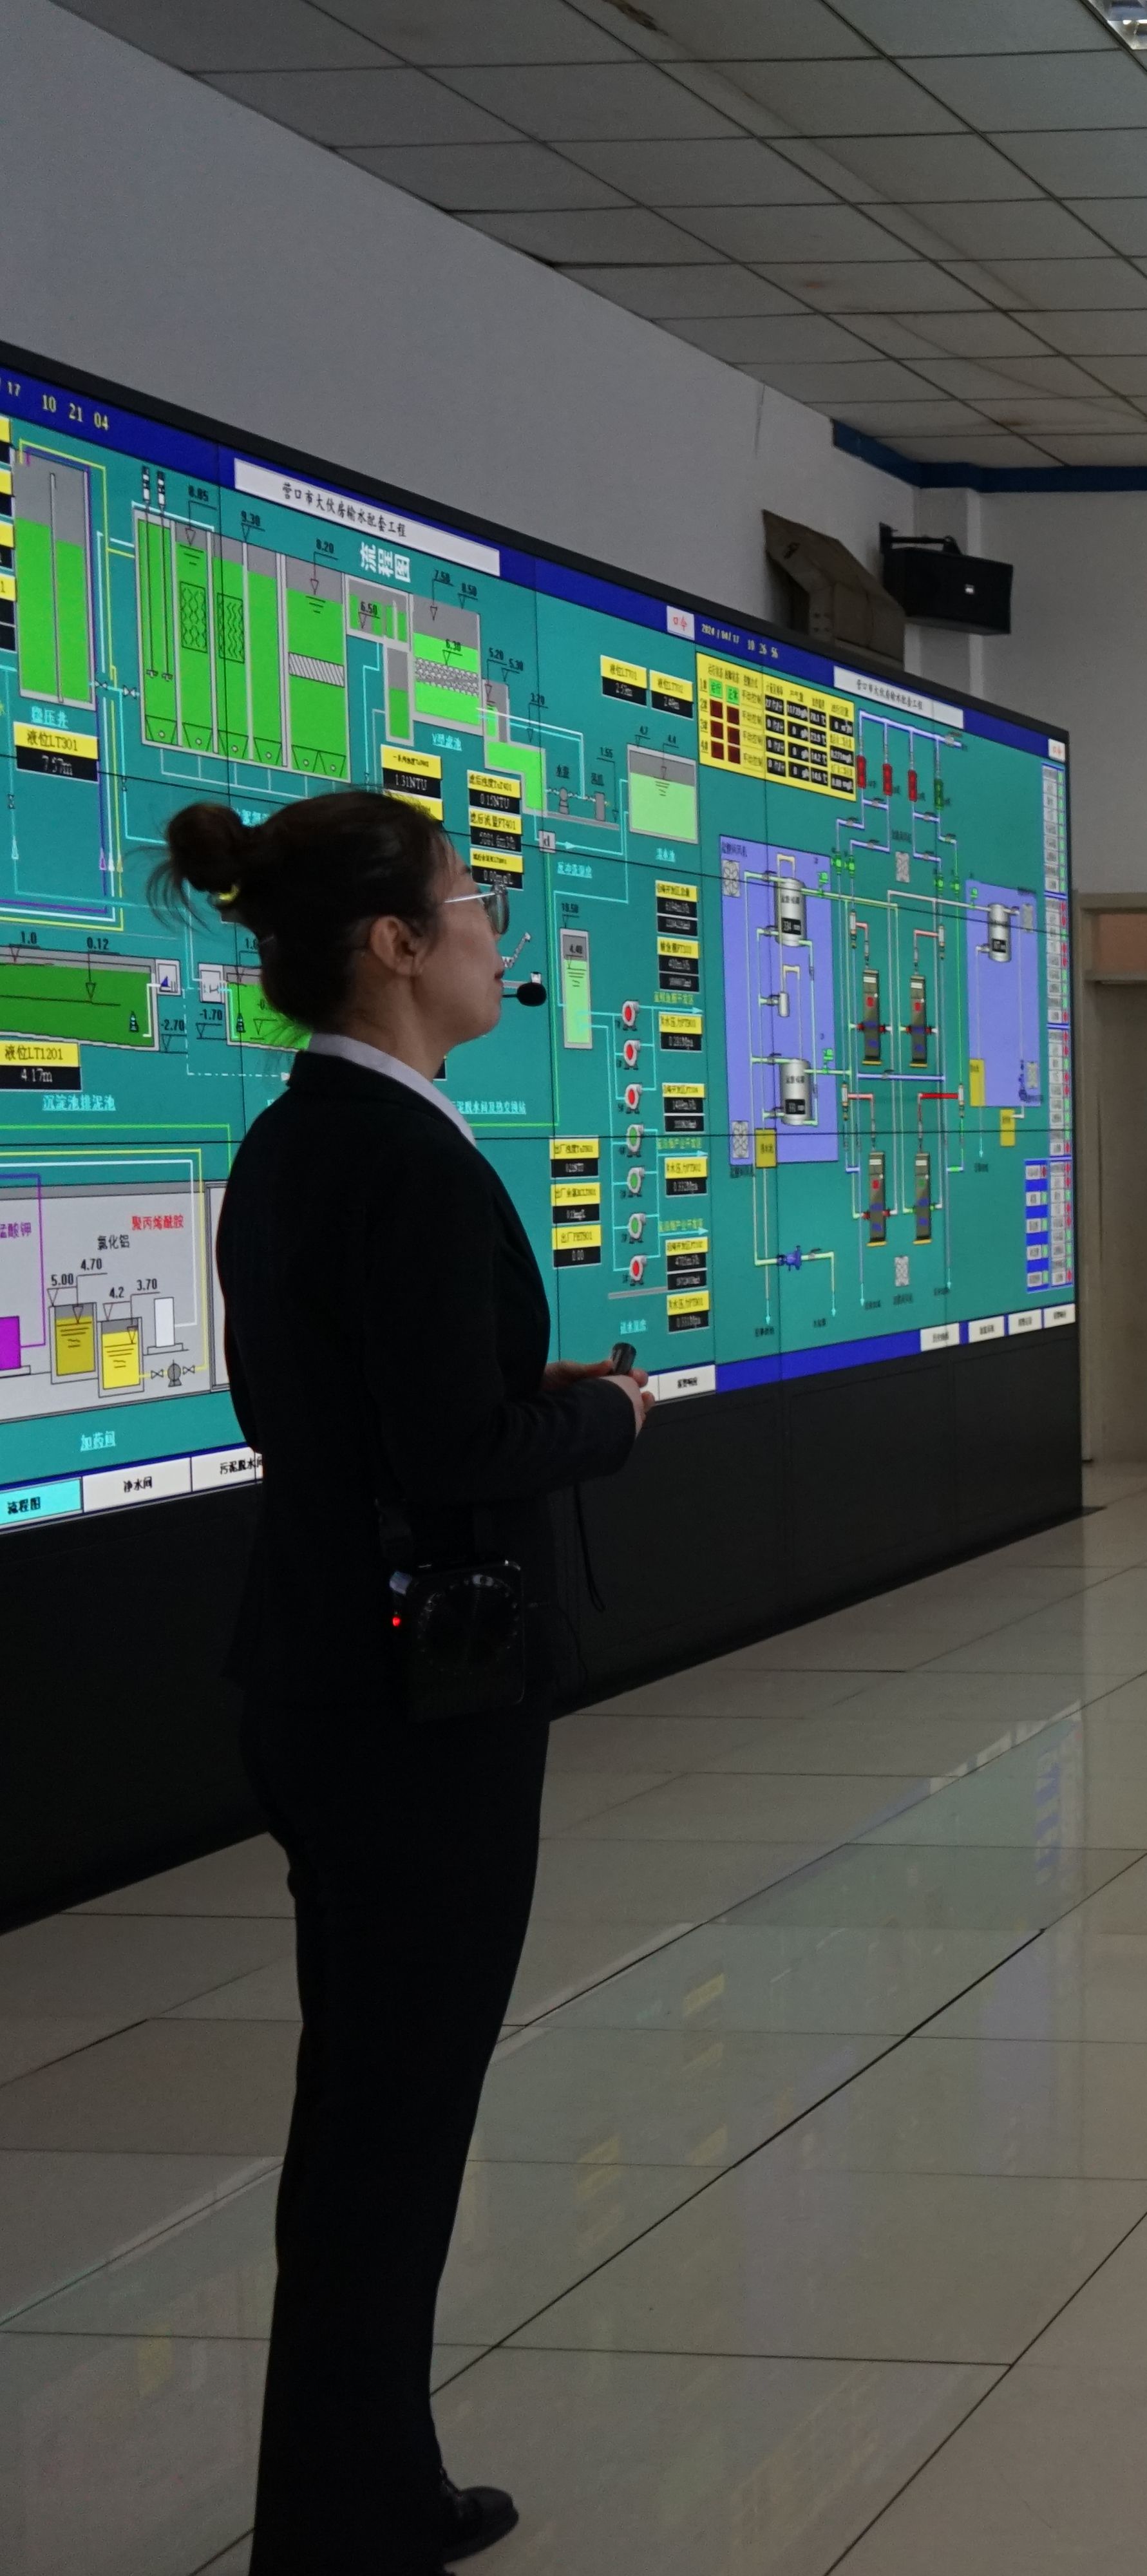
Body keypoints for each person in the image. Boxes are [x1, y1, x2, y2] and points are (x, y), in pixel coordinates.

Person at [157, 791, 652, 2575]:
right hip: (417, 1700)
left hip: (322, 1663)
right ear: (393, 945)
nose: (493, 929)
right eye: (471, 900)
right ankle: (345, 2513)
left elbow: (356, 1412)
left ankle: (359, 2480)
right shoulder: (407, 1161)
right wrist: (604, 1417)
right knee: (396, 2112)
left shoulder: (302, 1139)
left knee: (370, 2098)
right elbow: (450, 1446)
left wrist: (522, 1400)